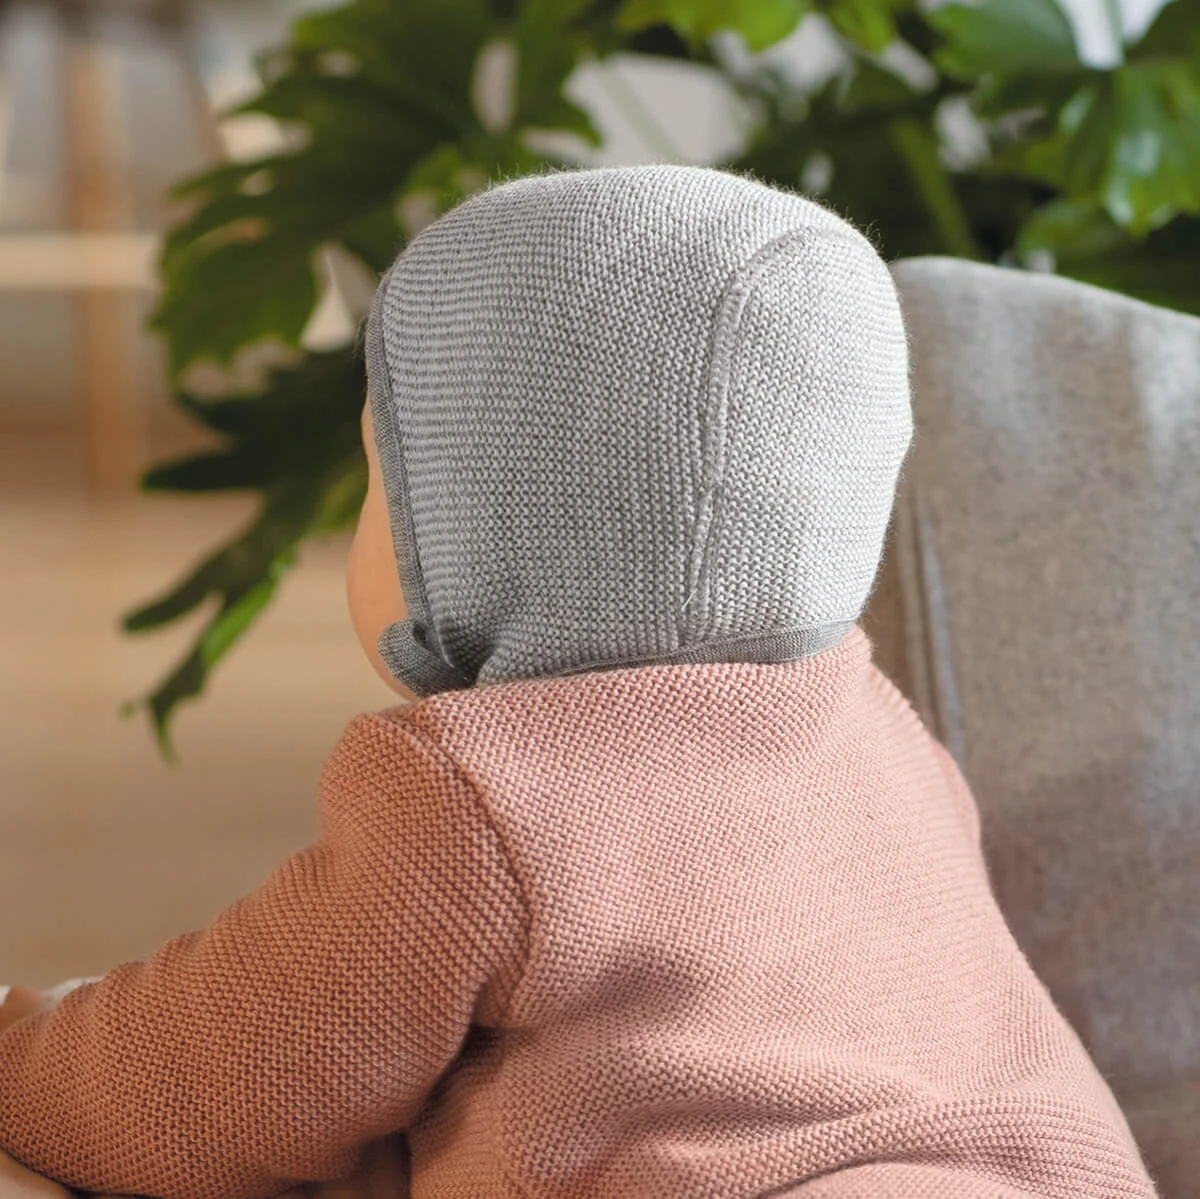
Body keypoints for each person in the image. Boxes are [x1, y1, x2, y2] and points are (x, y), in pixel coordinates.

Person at [0, 166, 1160, 1199]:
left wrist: (23, 1056)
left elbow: (226, 1068)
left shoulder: (474, 794)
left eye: (380, 479)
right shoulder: (879, 725)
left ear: (481, 529)